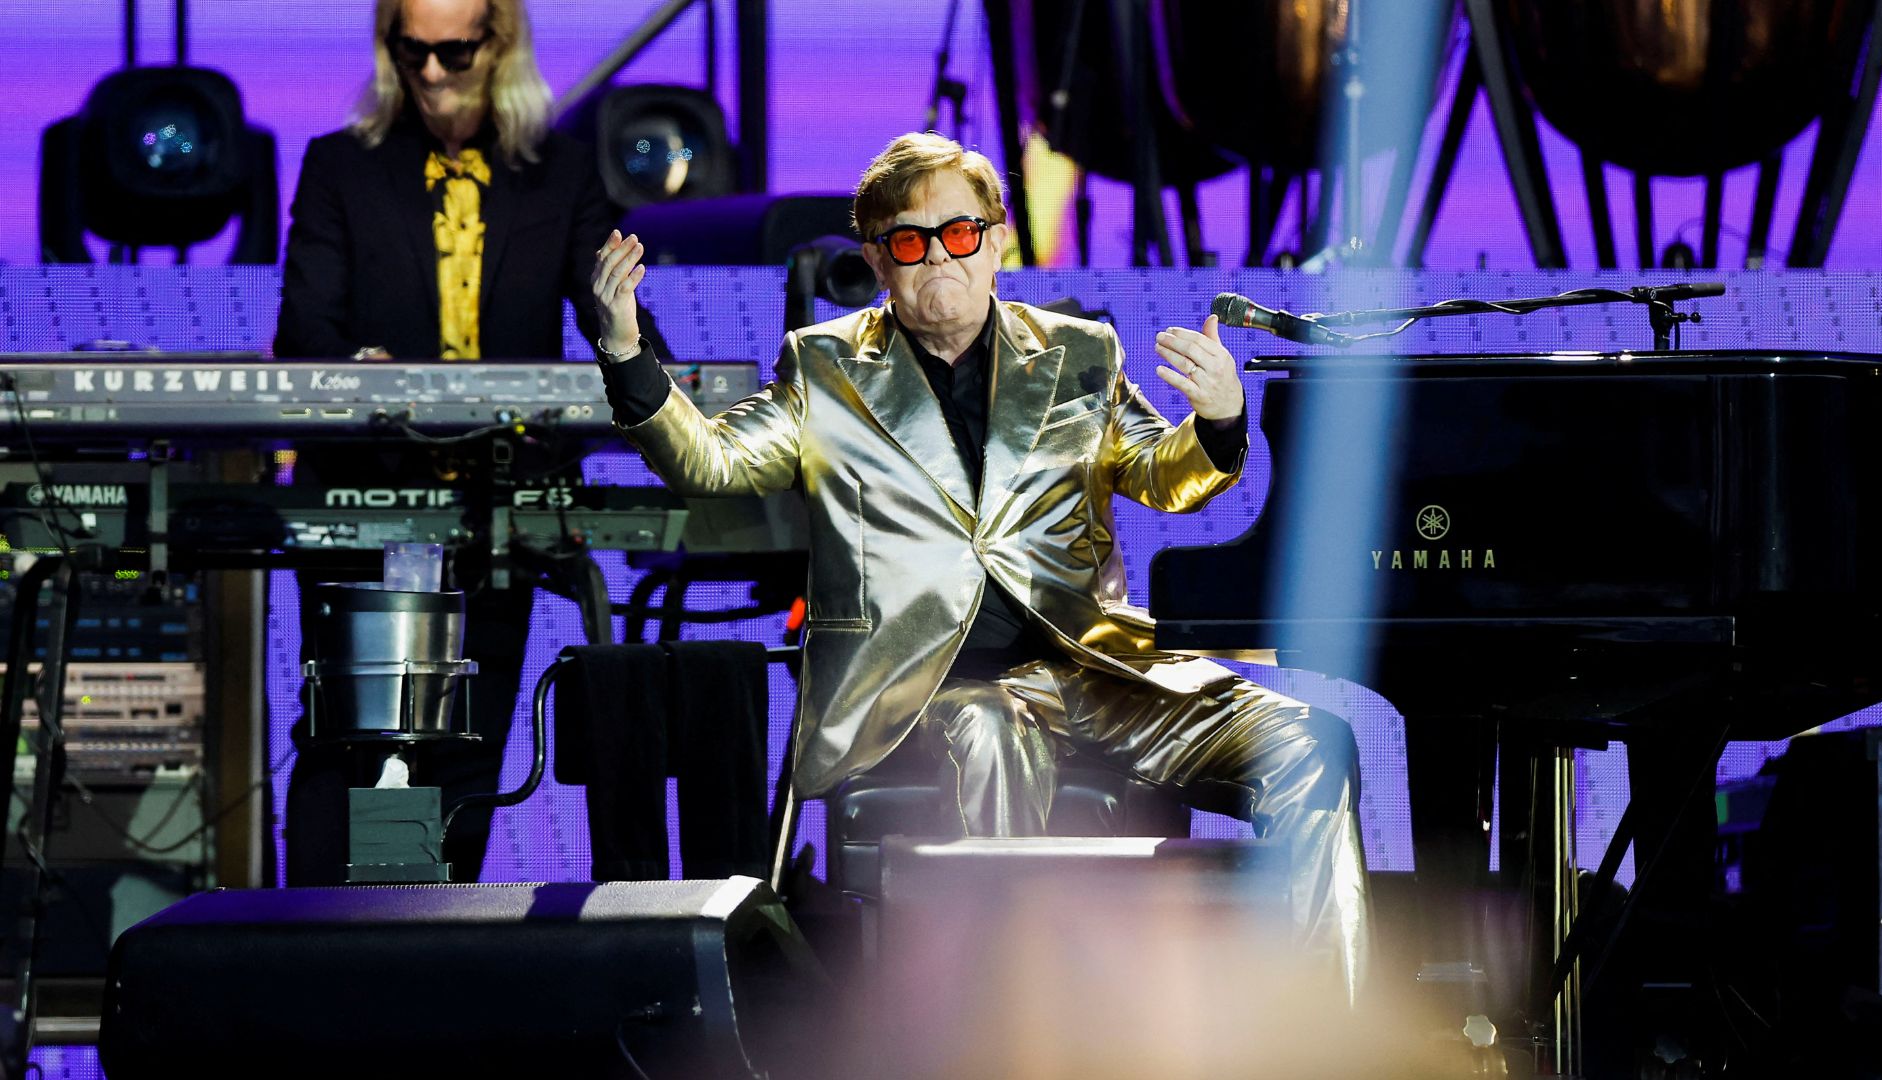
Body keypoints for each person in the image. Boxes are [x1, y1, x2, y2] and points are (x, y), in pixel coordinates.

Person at [592, 132, 1370, 997]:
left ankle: (1330, 1029)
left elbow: (1163, 476)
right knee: (988, 734)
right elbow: (715, 462)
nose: (940, 260)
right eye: (910, 242)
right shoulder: (825, 367)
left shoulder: (1081, 353)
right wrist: (627, 355)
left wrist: (1220, 421)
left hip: (1098, 670)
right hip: (926, 687)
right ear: (878, 261)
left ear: (996, 240)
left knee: (1313, 744)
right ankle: (1013, 1034)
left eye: (959, 234)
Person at [273, 0, 665, 884]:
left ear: (500, 44)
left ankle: (421, 947)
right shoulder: (343, 167)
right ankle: (337, 956)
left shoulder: (556, 174)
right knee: (358, 734)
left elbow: (619, 319)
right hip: (365, 497)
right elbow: (303, 334)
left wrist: (690, 419)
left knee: (465, 741)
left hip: (498, 504)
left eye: (454, 52)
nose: (435, 74)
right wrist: (359, 369)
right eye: (413, 53)